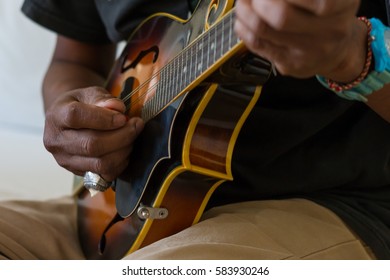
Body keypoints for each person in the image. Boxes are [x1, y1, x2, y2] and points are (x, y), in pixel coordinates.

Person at [0, 0, 389, 260]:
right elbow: (73, 58)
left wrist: (350, 58)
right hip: (112, 214)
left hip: (329, 204)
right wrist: (68, 117)